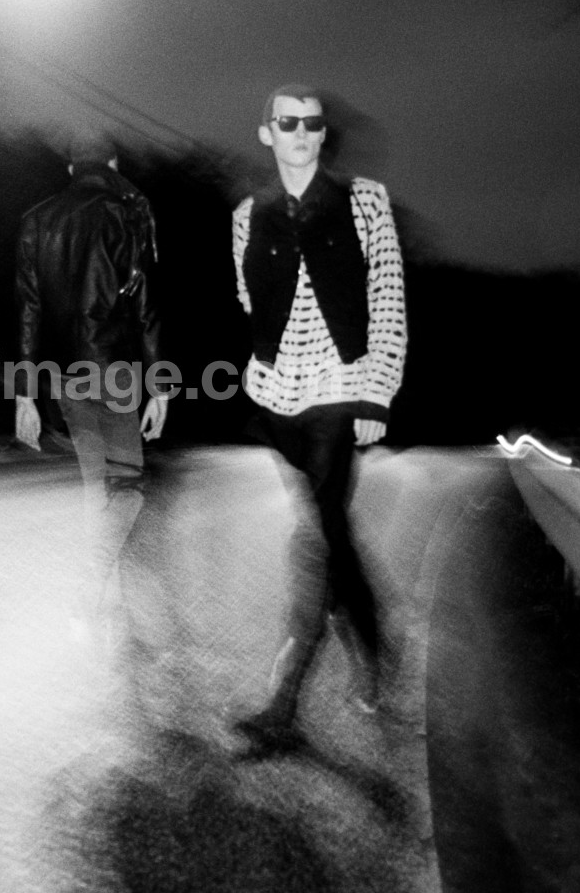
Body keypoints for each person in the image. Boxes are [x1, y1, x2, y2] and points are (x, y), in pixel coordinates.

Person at [228, 83, 408, 754]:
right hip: (278, 399)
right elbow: (248, 297)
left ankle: (284, 704)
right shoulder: (249, 215)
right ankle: (376, 646)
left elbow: (388, 297)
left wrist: (376, 394)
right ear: (267, 133)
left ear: (323, 133)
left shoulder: (365, 201)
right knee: (330, 536)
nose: (301, 132)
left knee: (316, 538)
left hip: (341, 392)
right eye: (288, 122)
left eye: (312, 123)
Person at [15, 131, 171, 631]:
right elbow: (145, 306)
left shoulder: (37, 220)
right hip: (115, 369)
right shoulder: (126, 213)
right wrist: (160, 386)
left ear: (70, 169)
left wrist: (25, 396)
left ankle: (108, 595)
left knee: (94, 485)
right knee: (127, 485)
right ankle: (92, 582)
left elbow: (29, 312)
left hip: (65, 375)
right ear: (113, 164)